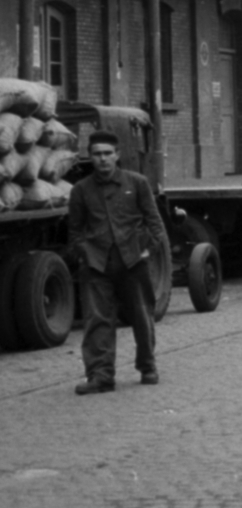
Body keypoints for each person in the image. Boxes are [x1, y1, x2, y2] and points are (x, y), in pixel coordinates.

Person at [67, 131, 166, 394]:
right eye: (97, 154)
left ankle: (147, 366)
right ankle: (101, 376)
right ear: (90, 157)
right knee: (97, 320)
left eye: (107, 153)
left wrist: (148, 250)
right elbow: (74, 231)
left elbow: (155, 222)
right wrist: (85, 254)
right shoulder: (80, 190)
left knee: (142, 316)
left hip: (133, 262)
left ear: (117, 155)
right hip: (97, 265)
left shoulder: (137, 183)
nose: (102, 159)